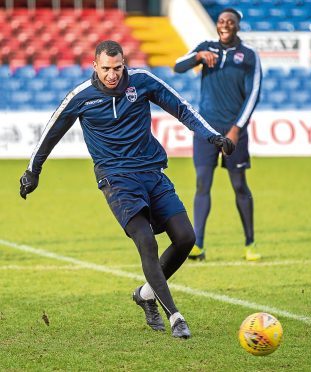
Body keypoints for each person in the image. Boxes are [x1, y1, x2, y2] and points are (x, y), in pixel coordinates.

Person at [19, 40, 235, 339]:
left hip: (152, 173)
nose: (112, 75)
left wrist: (213, 137)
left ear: (125, 63)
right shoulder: (81, 97)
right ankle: (175, 316)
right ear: (95, 66)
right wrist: (33, 170)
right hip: (116, 179)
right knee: (146, 242)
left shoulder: (143, 81)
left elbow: (181, 109)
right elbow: (52, 132)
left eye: (117, 68)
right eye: (106, 68)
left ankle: (146, 294)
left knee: (186, 238)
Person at [174, 8, 262, 261]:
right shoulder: (206, 47)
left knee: (238, 185)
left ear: (237, 26)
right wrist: (198, 56)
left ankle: (250, 243)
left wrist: (236, 129)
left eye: (230, 22)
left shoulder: (248, 56)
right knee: (202, 183)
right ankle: (198, 245)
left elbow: (254, 94)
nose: (224, 25)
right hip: (206, 129)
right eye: (221, 21)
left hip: (234, 131)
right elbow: (178, 65)